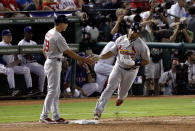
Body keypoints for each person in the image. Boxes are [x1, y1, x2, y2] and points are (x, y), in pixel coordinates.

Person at [39, 15, 94, 124]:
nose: (67, 25)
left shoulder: (49, 32)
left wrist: (50, 58)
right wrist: (84, 59)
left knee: (56, 91)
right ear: (60, 23)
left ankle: (55, 116)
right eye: (65, 23)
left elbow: (43, 49)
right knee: (52, 90)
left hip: (51, 61)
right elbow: (69, 52)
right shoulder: (58, 36)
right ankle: (44, 116)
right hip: (53, 63)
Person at [93, 22, 150, 120]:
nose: (132, 32)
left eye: (135, 31)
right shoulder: (120, 39)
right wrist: (100, 57)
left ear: (138, 33)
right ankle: (98, 111)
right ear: (129, 29)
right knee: (110, 87)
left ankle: (121, 97)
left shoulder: (142, 45)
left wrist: (135, 63)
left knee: (123, 92)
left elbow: (146, 61)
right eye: (132, 29)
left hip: (132, 71)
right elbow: (112, 52)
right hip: (118, 67)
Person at [0, 29, 33, 95]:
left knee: (26, 69)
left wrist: (17, 60)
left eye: (10, 36)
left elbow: (14, 58)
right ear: (3, 37)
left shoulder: (10, 45)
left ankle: (30, 89)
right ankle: (12, 90)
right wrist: (5, 64)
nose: (10, 37)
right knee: (10, 70)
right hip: (1, 65)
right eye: (7, 36)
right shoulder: (0, 44)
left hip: (10, 65)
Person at [18, 26, 46, 95]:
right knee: (27, 70)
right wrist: (33, 56)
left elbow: (38, 56)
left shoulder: (34, 43)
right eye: (28, 33)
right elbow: (27, 57)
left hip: (33, 63)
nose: (30, 34)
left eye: (30, 33)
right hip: (25, 63)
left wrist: (33, 56)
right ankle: (29, 91)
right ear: (25, 34)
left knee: (44, 72)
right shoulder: (21, 43)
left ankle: (40, 91)